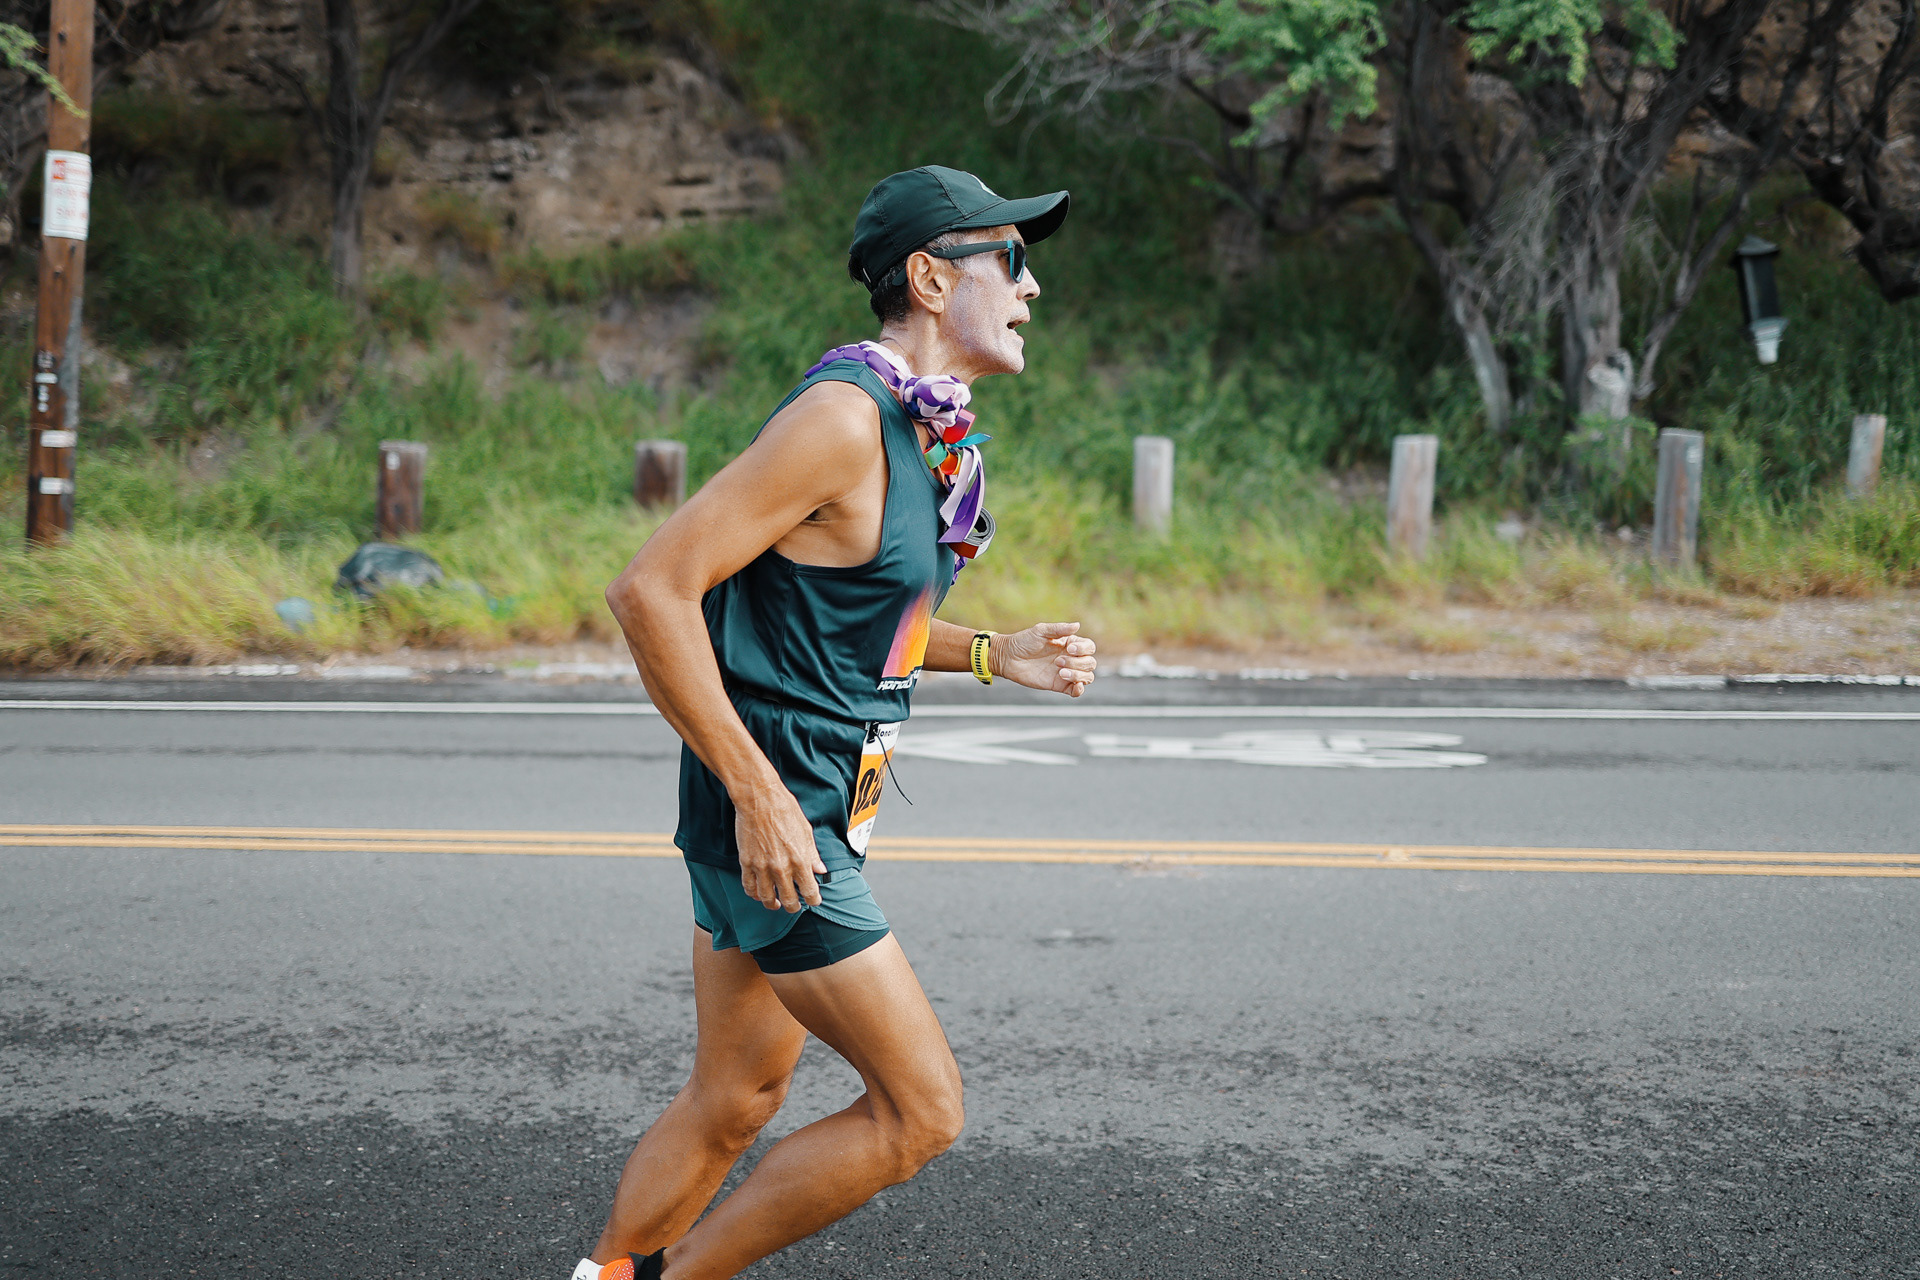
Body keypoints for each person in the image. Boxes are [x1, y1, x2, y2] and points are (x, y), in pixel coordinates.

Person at [577, 165, 1099, 1280]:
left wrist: (992, 654)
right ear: (930, 278)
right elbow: (652, 590)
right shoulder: (843, 421)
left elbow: (851, 620)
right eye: (1010, 259)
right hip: (781, 813)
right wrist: (761, 797)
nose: (1030, 286)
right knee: (920, 1111)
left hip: (802, 804)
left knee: (735, 1095)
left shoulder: (916, 430)